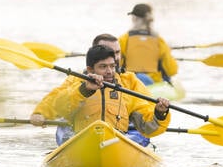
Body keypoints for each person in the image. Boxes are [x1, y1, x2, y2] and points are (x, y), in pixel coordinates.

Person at [30, 41, 170, 147]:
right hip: (84, 140)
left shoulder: (126, 86)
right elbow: (58, 103)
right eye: (103, 67)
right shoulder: (78, 83)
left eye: (112, 66)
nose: (109, 71)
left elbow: (148, 127)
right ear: (90, 69)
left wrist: (159, 113)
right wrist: (85, 90)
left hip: (116, 140)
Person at [119, 3, 178, 86]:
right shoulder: (159, 41)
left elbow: (117, 65)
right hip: (154, 84)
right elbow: (172, 70)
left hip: (131, 81)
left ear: (134, 18)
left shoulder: (123, 39)